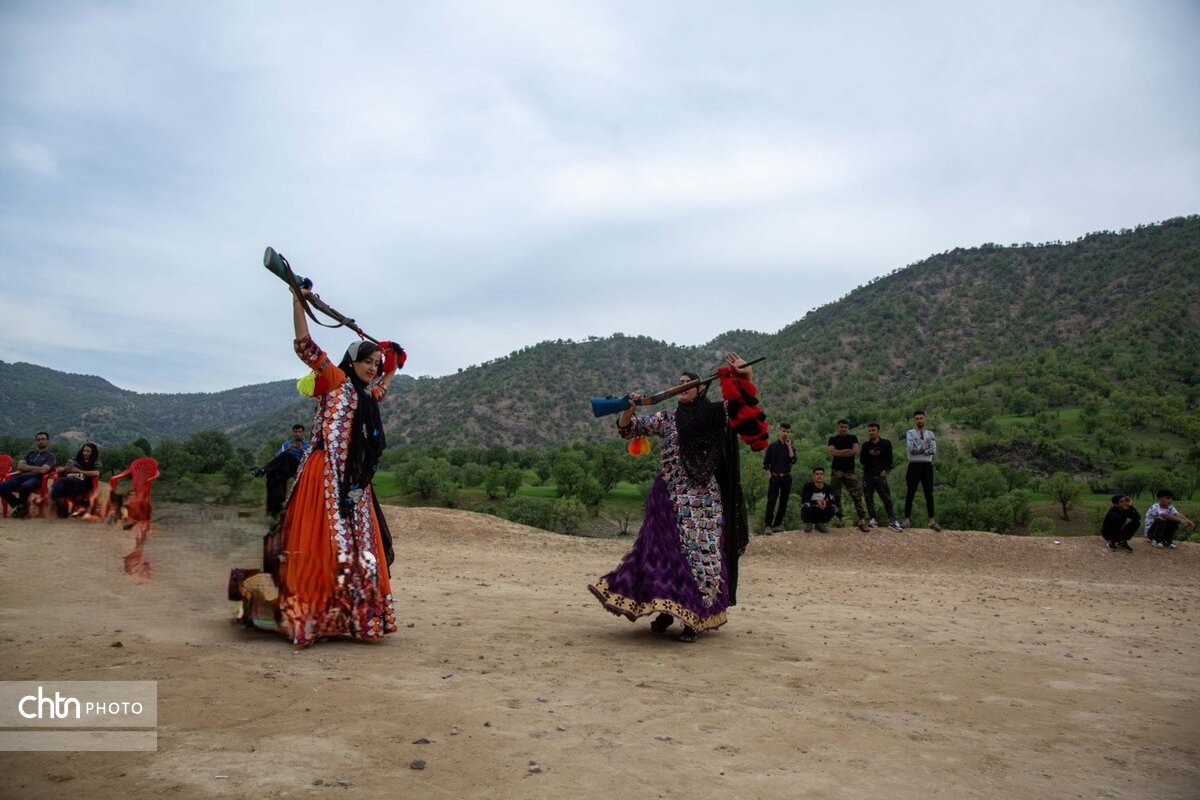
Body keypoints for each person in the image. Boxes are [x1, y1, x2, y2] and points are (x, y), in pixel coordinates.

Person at [230, 285, 406, 647]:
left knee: (357, 548)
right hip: (323, 475)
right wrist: (298, 300)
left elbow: (382, 388)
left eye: (376, 364)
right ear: (352, 361)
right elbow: (304, 345)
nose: (373, 369)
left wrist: (394, 365)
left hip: (354, 482)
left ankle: (353, 618)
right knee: (321, 543)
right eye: (368, 362)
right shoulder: (334, 380)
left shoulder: (366, 396)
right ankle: (314, 616)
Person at [588, 354, 767, 644]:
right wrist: (628, 408)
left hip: (703, 501)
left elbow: (743, 409)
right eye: (680, 382)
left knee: (700, 558)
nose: (683, 385)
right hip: (668, 498)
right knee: (661, 555)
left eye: (689, 382)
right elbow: (628, 430)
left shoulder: (715, 413)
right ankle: (666, 610)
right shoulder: (666, 418)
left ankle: (694, 618)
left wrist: (745, 378)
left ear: (701, 388)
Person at [253, 424, 312, 516]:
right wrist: (288, 449)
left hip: (298, 467)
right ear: (293, 433)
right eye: (295, 432)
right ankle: (274, 510)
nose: (297, 434)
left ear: (302, 433)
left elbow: (310, 459)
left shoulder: (307, 445)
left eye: (299, 432)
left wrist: (301, 449)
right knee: (272, 476)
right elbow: (278, 458)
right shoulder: (287, 444)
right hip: (286, 468)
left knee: (286, 455)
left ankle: (263, 470)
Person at [1, 431, 58, 518]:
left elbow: (43, 471)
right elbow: (20, 466)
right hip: (22, 476)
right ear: (36, 441)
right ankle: (19, 504)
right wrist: (37, 468)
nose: (41, 441)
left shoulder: (50, 457)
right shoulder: (30, 453)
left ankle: (21, 507)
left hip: (36, 478)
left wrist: (27, 467)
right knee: (1, 487)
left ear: (47, 441)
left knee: (24, 487)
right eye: (39, 439)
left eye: (43, 439)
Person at [828, 419, 869, 532]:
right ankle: (839, 520)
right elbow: (833, 452)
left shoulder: (853, 438)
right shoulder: (833, 439)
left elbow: (855, 451)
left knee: (856, 495)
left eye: (846, 427)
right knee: (836, 496)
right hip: (836, 471)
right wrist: (848, 451)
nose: (844, 429)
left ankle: (861, 520)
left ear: (848, 428)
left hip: (850, 471)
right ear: (838, 427)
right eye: (842, 427)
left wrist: (840, 452)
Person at [903, 410, 941, 531]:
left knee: (929, 494)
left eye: (921, 418)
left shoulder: (930, 434)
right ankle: (906, 520)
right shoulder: (910, 433)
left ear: (925, 419)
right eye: (917, 419)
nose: (919, 420)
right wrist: (925, 448)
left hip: (927, 466)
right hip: (913, 466)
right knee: (910, 493)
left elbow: (933, 451)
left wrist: (919, 448)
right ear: (914, 420)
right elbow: (911, 449)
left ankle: (932, 521)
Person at [861, 423, 901, 531]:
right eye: (869, 431)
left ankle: (892, 520)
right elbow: (862, 461)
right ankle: (873, 519)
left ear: (878, 431)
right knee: (869, 498)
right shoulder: (865, 445)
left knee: (886, 498)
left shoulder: (886, 443)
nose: (871, 432)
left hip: (880, 475)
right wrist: (869, 453)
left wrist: (886, 470)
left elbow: (890, 460)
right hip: (868, 475)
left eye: (873, 430)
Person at [50, 443, 102, 518]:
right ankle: (60, 507)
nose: (85, 453)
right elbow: (59, 469)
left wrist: (79, 471)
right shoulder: (74, 460)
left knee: (62, 483)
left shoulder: (96, 462)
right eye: (84, 451)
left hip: (82, 483)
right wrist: (65, 468)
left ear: (93, 452)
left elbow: (97, 473)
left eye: (88, 451)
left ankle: (55, 502)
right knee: (61, 483)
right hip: (68, 479)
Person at [762, 422, 796, 533]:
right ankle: (768, 525)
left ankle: (777, 525)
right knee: (771, 501)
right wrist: (769, 476)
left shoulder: (791, 447)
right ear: (779, 431)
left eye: (787, 431)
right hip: (775, 477)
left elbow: (793, 460)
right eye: (783, 431)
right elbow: (766, 464)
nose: (785, 433)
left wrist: (789, 446)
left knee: (784, 501)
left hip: (787, 477)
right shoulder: (772, 447)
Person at [800, 467, 838, 533]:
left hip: (822, 509)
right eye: (817, 474)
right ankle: (809, 523)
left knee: (834, 508)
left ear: (824, 476)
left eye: (821, 474)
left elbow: (832, 501)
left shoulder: (829, 488)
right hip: (811, 508)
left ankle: (820, 523)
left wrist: (825, 503)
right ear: (813, 476)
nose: (819, 476)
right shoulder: (808, 486)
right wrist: (816, 502)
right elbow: (804, 500)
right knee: (806, 505)